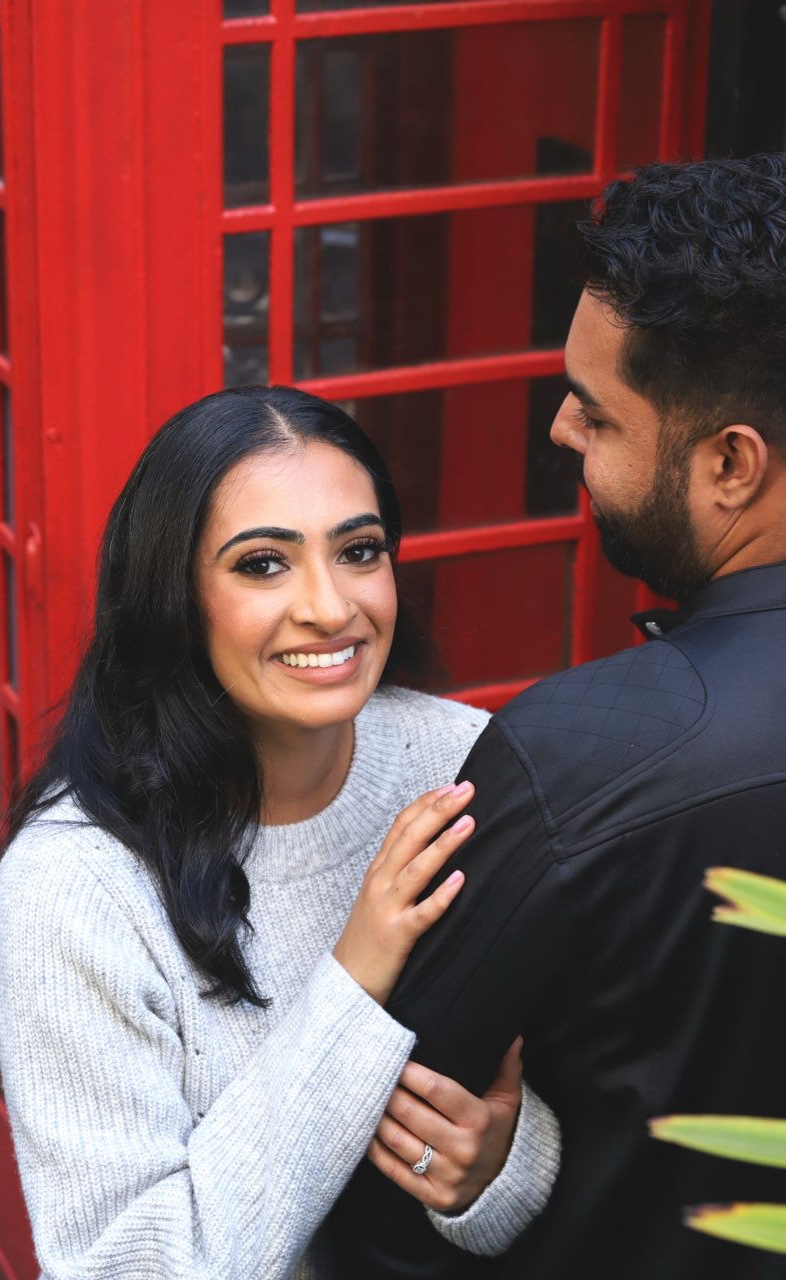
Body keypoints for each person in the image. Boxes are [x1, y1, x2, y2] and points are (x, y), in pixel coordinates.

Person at [331, 153, 786, 1279]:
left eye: (597, 409)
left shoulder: (577, 762)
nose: (558, 429)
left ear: (731, 463)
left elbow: (390, 1169)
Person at [0, 386, 560, 1280]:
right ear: (174, 595)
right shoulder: (78, 882)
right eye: (263, 564)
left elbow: (589, 1104)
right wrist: (355, 975)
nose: (330, 608)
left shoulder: (465, 766)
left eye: (358, 550)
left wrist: (495, 1169)